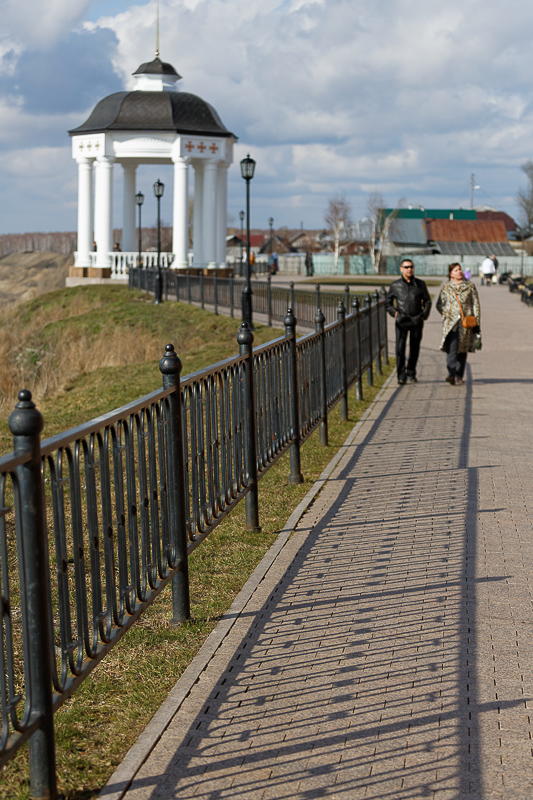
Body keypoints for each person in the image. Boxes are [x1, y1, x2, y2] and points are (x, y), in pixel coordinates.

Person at [385, 259, 432, 385]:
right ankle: (401, 375)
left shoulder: (420, 284)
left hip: (417, 320)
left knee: (414, 348)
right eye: (406, 267)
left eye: (411, 267)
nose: (409, 269)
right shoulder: (395, 285)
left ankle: (411, 372)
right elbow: (388, 302)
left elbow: (427, 301)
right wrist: (394, 313)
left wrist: (424, 314)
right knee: (400, 348)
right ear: (401, 269)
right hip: (402, 321)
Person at [436, 262, 481, 386]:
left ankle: (459, 375)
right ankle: (451, 373)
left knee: (462, 350)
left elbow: (475, 305)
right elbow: (439, 304)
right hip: (451, 324)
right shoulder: (446, 287)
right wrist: (446, 313)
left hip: (466, 324)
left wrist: (476, 324)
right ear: (451, 274)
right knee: (452, 349)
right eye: (456, 270)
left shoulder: (470, 286)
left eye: (460, 269)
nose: (459, 272)